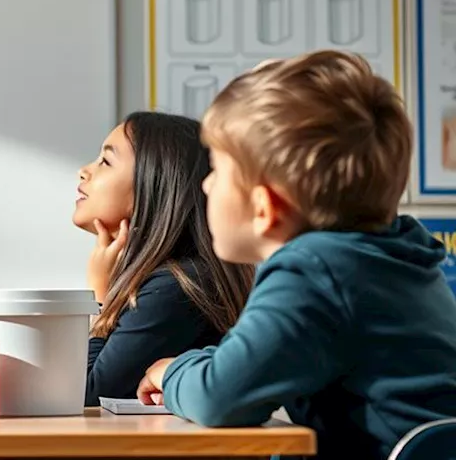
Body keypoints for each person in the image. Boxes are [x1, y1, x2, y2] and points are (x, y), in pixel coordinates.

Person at [136, 51, 456, 460]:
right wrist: (204, 360)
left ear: (265, 209)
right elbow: (250, 359)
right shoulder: (397, 259)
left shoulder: (313, 269)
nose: (205, 187)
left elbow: (221, 397)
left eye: (215, 171)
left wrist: (171, 371)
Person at [75, 111, 253, 406]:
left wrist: (99, 298)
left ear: (156, 185)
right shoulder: (174, 279)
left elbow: (88, 393)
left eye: (105, 161)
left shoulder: (176, 286)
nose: (84, 170)